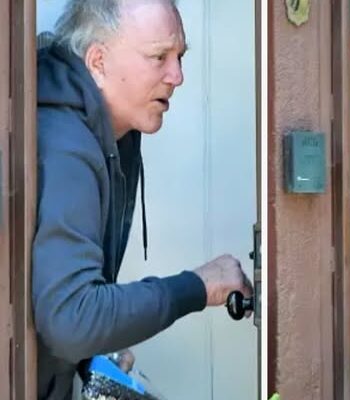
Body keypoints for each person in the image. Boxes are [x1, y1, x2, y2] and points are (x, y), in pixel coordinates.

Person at [34, 1, 253, 398]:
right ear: (98, 62)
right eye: (159, 57)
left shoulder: (110, 128)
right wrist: (197, 286)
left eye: (180, 56)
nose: (178, 76)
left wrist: (96, 348)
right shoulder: (67, 146)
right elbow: (70, 319)